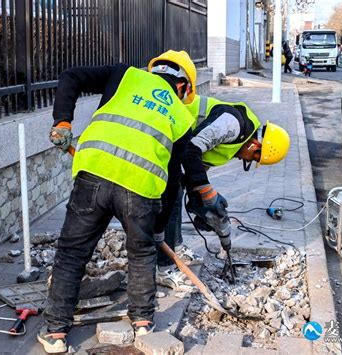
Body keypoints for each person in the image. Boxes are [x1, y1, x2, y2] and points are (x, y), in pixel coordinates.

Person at [39, 50, 217, 353]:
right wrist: (159, 229)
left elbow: (71, 76)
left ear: (153, 71)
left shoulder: (124, 75)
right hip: (140, 190)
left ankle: (56, 332)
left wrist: (63, 122)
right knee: (141, 253)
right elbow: (173, 181)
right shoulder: (182, 116)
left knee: (72, 253)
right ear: (185, 87)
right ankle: (143, 323)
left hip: (94, 174)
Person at [155, 94, 290, 289]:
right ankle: (164, 267)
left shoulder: (236, 141)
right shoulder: (231, 124)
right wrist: (208, 194)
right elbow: (190, 149)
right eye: (253, 158)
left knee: (178, 188)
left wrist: (198, 201)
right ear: (256, 145)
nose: (246, 160)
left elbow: (194, 169)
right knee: (171, 196)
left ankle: (175, 247)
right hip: (161, 130)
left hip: (176, 144)